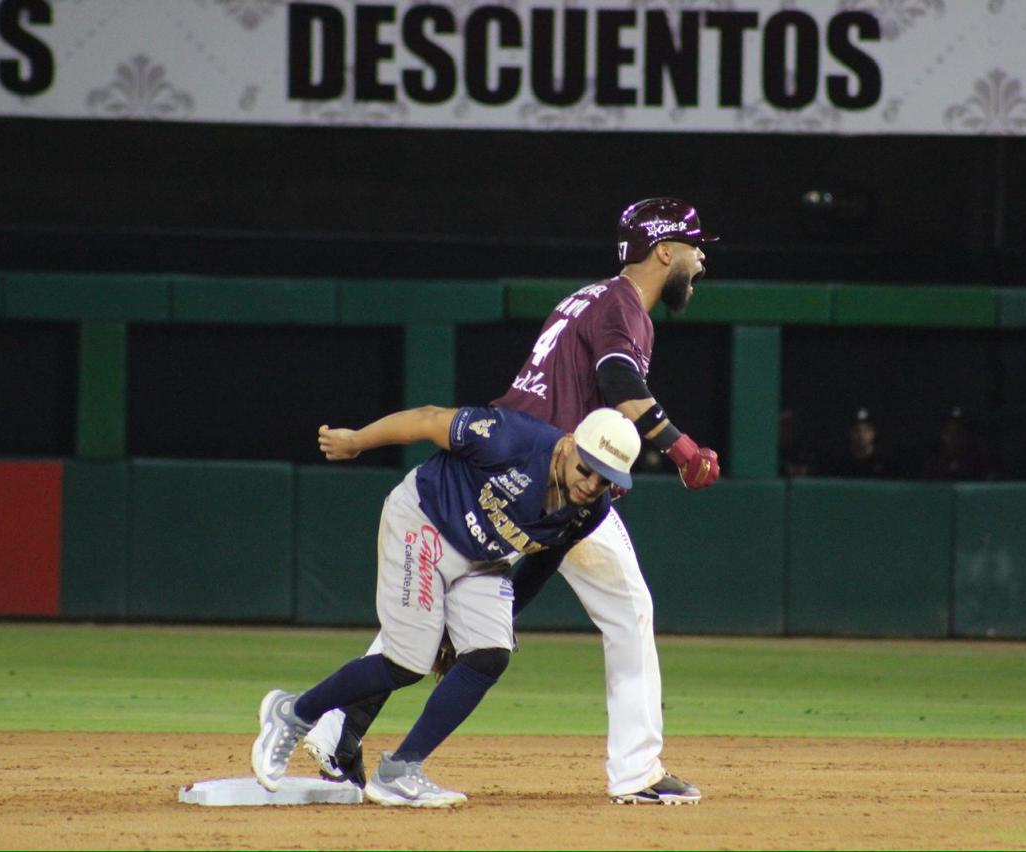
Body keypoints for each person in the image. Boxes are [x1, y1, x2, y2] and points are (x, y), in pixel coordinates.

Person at [303, 198, 721, 806]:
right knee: (627, 606)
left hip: (507, 465)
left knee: (433, 610)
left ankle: (335, 725)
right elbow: (622, 386)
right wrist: (683, 451)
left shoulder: (590, 297)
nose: (701, 257)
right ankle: (636, 771)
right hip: (550, 474)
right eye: (693, 245)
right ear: (663, 251)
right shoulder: (623, 306)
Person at [251, 404, 641, 808]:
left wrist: (495, 624)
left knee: (490, 655)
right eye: (587, 468)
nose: (592, 484)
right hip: (425, 520)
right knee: (406, 663)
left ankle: (400, 770)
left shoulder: (590, 512)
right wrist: (355, 441)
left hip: (484, 560)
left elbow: (541, 564)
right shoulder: (512, 438)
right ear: (568, 445)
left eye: (605, 479)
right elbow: (427, 419)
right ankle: (293, 712)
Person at [920, 406, 992, 481]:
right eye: (949, 432)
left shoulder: (979, 463)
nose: (953, 437)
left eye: (958, 432)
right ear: (943, 435)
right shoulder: (934, 463)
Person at [828, 407, 891, 478]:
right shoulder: (840, 462)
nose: (861, 435)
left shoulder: (884, 461)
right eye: (857, 430)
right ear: (850, 433)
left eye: (866, 430)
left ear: (873, 433)